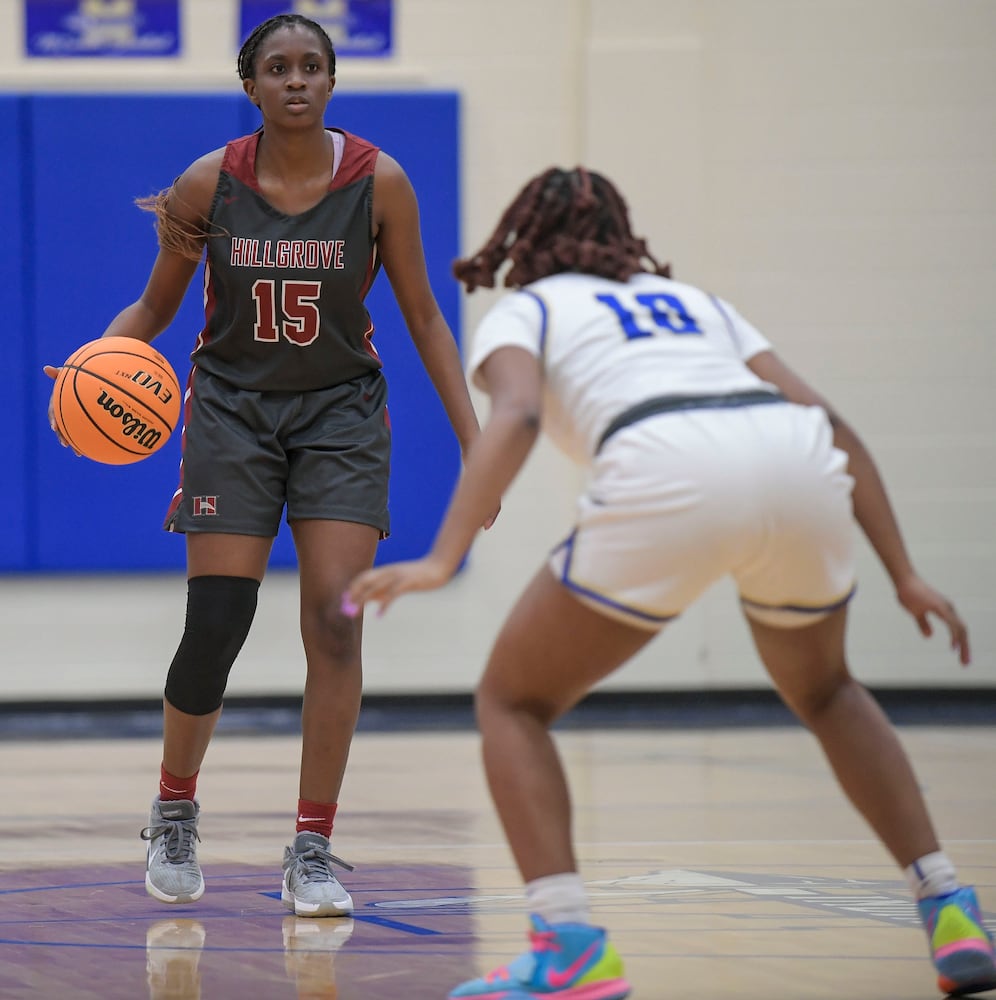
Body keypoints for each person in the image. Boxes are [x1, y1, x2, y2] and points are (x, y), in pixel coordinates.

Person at [344, 166, 996, 999]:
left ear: (523, 243)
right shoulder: (698, 305)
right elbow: (829, 419)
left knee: (513, 702)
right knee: (828, 690)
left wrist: (442, 557)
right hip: (796, 459)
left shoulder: (529, 309)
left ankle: (568, 943)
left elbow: (517, 415)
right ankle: (947, 903)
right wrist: (903, 572)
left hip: (669, 463)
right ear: (621, 233)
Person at [45, 13, 494, 917]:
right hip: (232, 413)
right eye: (278, 68)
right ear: (250, 86)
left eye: (313, 67)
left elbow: (426, 319)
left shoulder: (381, 183)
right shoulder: (208, 181)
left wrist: (477, 443)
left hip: (341, 416)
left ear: (332, 82)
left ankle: (314, 847)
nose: (297, 80)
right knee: (217, 622)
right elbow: (156, 307)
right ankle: (175, 810)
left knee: (337, 628)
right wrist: (90, 366)